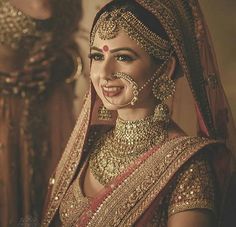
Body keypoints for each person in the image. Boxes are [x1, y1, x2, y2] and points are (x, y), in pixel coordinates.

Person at [42, 0, 236, 226]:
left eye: (123, 57)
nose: (104, 73)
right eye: (97, 56)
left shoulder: (188, 168)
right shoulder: (89, 145)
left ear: (166, 68)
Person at [0, 0, 82, 226]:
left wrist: (64, 64)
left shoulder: (70, 4)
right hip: (7, 107)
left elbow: (72, 47)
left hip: (53, 105)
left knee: (54, 181)